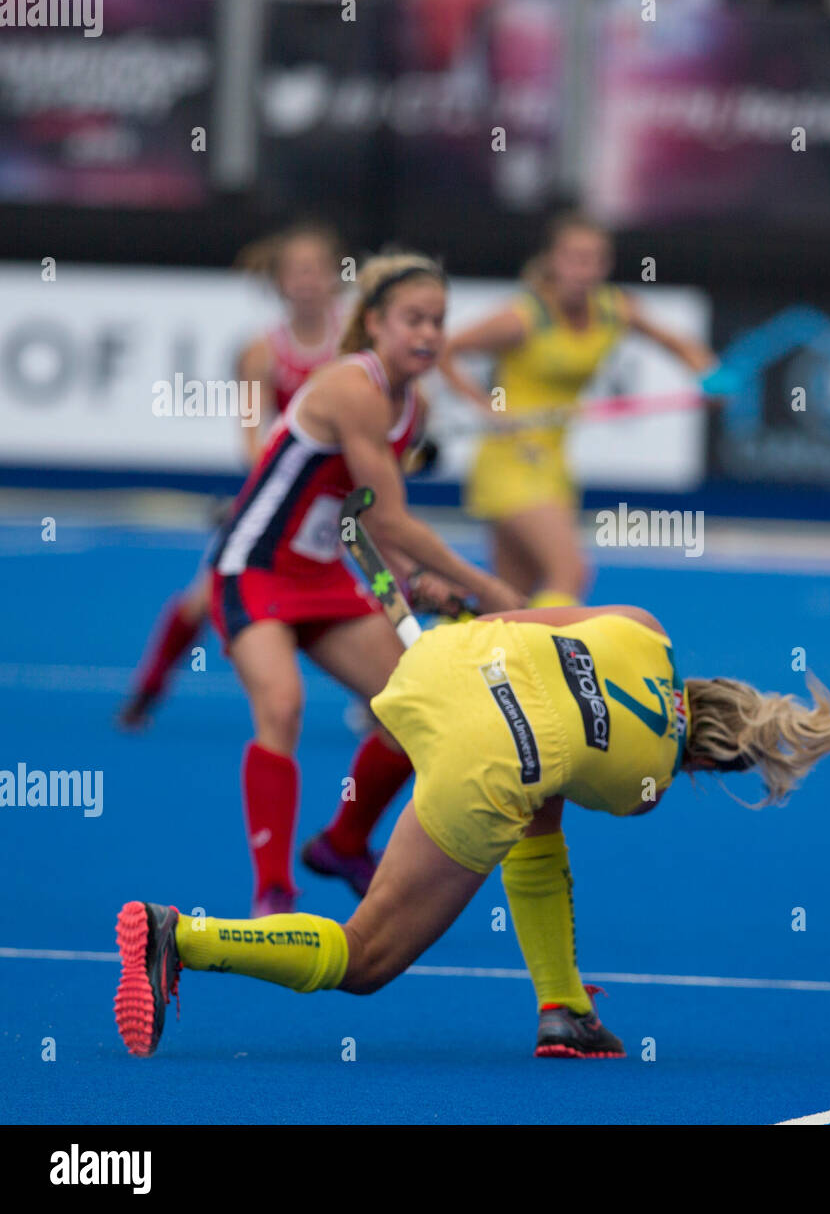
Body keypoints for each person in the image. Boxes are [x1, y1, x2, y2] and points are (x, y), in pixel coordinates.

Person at [113, 603, 830, 1058]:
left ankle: (563, 1009)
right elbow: (545, 796)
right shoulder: (650, 789)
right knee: (364, 959)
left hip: (449, 661)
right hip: (496, 753)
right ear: (707, 763)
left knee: (537, 789)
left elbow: (516, 611)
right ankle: (181, 937)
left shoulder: (645, 626)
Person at [205, 250, 522, 917]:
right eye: (413, 319)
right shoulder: (354, 387)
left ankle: (343, 842)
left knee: (414, 708)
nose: (430, 335)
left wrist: (406, 586)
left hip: (323, 574)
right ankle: (273, 893)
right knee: (282, 707)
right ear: (374, 323)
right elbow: (393, 516)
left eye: (438, 321)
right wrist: (487, 590)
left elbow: (357, 518)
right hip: (253, 566)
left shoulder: (416, 406)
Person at [118, 222, 346, 730]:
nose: (308, 281)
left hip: (344, 497)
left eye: (317, 270)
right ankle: (150, 686)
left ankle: (388, 699)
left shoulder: (354, 343)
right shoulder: (262, 352)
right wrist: (276, 489)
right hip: (283, 496)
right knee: (205, 595)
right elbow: (252, 435)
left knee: (383, 585)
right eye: (297, 271)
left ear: (335, 276)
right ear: (280, 281)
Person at [440, 212, 716, 607]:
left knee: (509, 599)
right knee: (570, 571)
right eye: (574, 258)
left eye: (594, 259)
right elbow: (446, 350)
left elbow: (680, 344)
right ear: (554, 261)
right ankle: (549, 662)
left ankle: (473, 659)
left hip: (553, 460)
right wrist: (487, 408)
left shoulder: (614, 309)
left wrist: (709, 377)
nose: (584, 270)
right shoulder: (524, 317)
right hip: (511, 458)